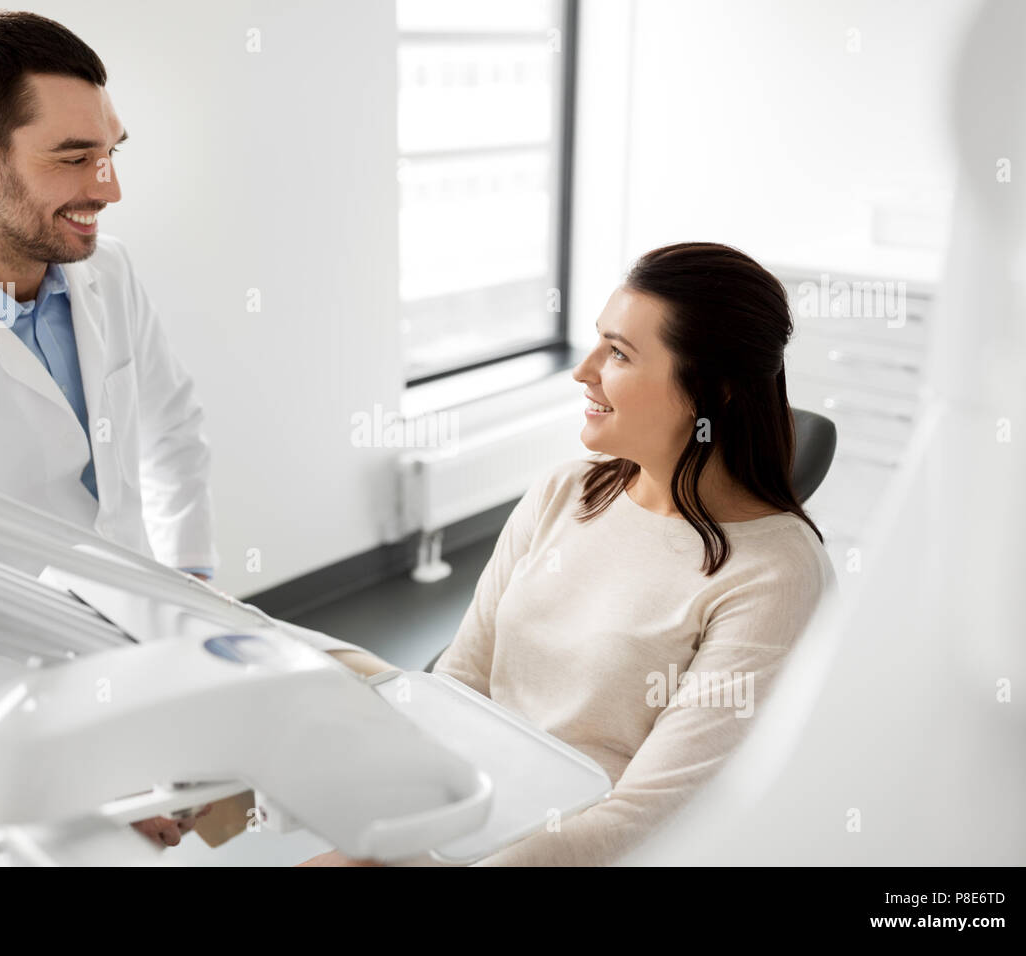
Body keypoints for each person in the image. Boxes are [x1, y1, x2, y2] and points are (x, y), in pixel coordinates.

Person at [0, 10, 370, 864]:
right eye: (72, 158)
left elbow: (175, 432)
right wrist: (93, 757)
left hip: (135, 657)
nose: (108, 187)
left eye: (112, 152)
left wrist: (185, 598)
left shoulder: (107, 274)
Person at [299, 242, 839, 866]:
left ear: (712, 393)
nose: (584, 371)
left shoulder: (774, 576)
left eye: (618, 353)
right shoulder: (566, 491)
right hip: (464, 825)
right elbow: (462, 682)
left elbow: (647, 817)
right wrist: (383, 844)